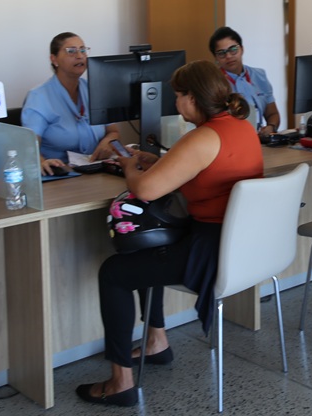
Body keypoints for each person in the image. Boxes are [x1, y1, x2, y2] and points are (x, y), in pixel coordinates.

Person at [76, 59, 263, 407]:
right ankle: (156, 342)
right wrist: (159, 161)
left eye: (178, 95)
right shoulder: (242, 127)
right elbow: (201, 167)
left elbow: (144, 189)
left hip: (211, 249)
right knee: (147, 246)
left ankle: (120, 382)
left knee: (114, 273)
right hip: (240, 246)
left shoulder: (203, 137)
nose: (175, 102)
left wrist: (130, 166)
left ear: (192, 97)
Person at [21, 32, 120, 175]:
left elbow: (113, 131)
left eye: (83, 50)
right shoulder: (38, 97)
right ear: (54, 59)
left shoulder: (94, 90)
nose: (79, 56)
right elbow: (28, 146)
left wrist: (108, 142)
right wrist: (41, 161)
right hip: (61, 174)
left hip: (96, 169)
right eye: (71, 51)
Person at [209, 26, 281, 137]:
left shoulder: (259, 76)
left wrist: (271, 127)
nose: (228, 56)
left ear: (242, 49)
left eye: (233, 49)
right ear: (216, 58)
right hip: (231, 140)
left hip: (259, 139)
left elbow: (273, 113)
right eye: (221, 53)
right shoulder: (213, 83)